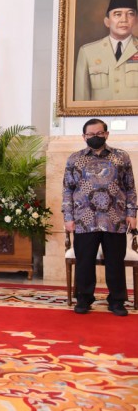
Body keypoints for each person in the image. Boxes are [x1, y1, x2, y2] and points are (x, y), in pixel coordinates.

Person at [62, 118, 136, 317]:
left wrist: (132, 213)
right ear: (84, 136)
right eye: (91, 134)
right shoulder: (74, 159)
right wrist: (68, 217)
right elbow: (67, 190)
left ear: (106, 134)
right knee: (84, 261)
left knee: (115, 262)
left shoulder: (121, 157)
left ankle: (117, 301)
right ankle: (84, 299)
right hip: (84, 219)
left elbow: (130, 188)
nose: (95, 137)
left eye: (99, 133)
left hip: (115, 217)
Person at [74, 0, 138, 101]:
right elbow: (81, 99)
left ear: (136, 20)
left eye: (130, 14)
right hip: (99, 117)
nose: (124, 20)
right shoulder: (88, 52)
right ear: (107, 21)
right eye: (118, 14)